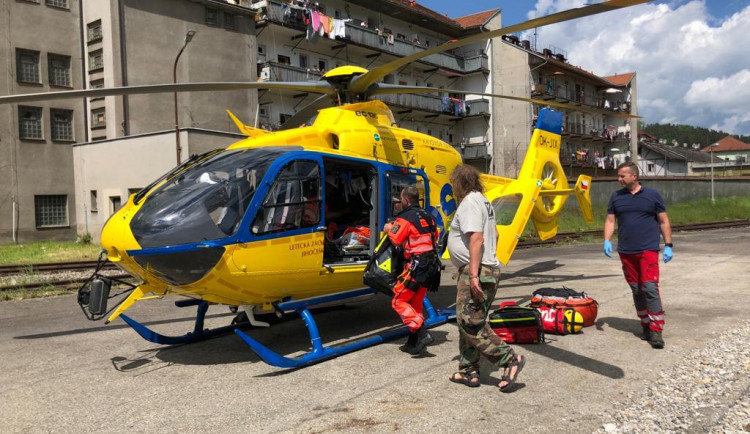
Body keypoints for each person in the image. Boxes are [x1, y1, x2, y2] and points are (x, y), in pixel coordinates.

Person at [446, 165, 525, 392]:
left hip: (478, 270)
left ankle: (509, 359)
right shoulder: (483, 201)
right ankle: (468, 370)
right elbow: (496, 234)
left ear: (460, 183)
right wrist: (489, 260)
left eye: (453, 184)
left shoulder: (470, 202)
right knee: (468, 321)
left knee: (470, 323)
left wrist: (473, 274)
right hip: (486, 267)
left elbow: (477, 239)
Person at [604, 161, 673, 349]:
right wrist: (607, 240)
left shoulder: (652, 195)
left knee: (650, 288)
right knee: (636, 290)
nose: (619, 179)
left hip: (648, 249)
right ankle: (645, 324)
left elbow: (664, 221)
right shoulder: (616, 197)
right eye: (618, 176)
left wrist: (668, 245)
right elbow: (610, 220)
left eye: (622, 176)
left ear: (633, 176)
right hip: (626, 251)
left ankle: (657, 330)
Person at [383, 186, 440, 355]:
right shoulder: (429, 216)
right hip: (431, 266)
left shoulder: (405, 217)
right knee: (415, 304)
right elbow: (434, 237)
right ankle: (413, 342)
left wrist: (388, 228)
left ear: (406, 200)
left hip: (416, 266)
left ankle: (421, 331)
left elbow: (396, 238)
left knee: (398, 301)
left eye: (401, 200)